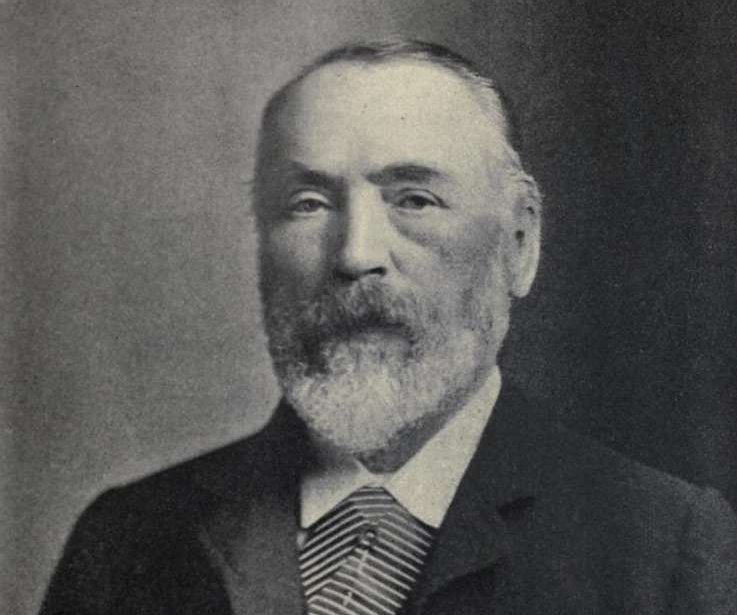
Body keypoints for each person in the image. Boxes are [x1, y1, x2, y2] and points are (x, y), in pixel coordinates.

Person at [39, 39, 737, 615]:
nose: (355, 255)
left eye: (414, 199)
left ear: (519, 244)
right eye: (308, 203)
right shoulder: (125, 542)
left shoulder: (666, 549)